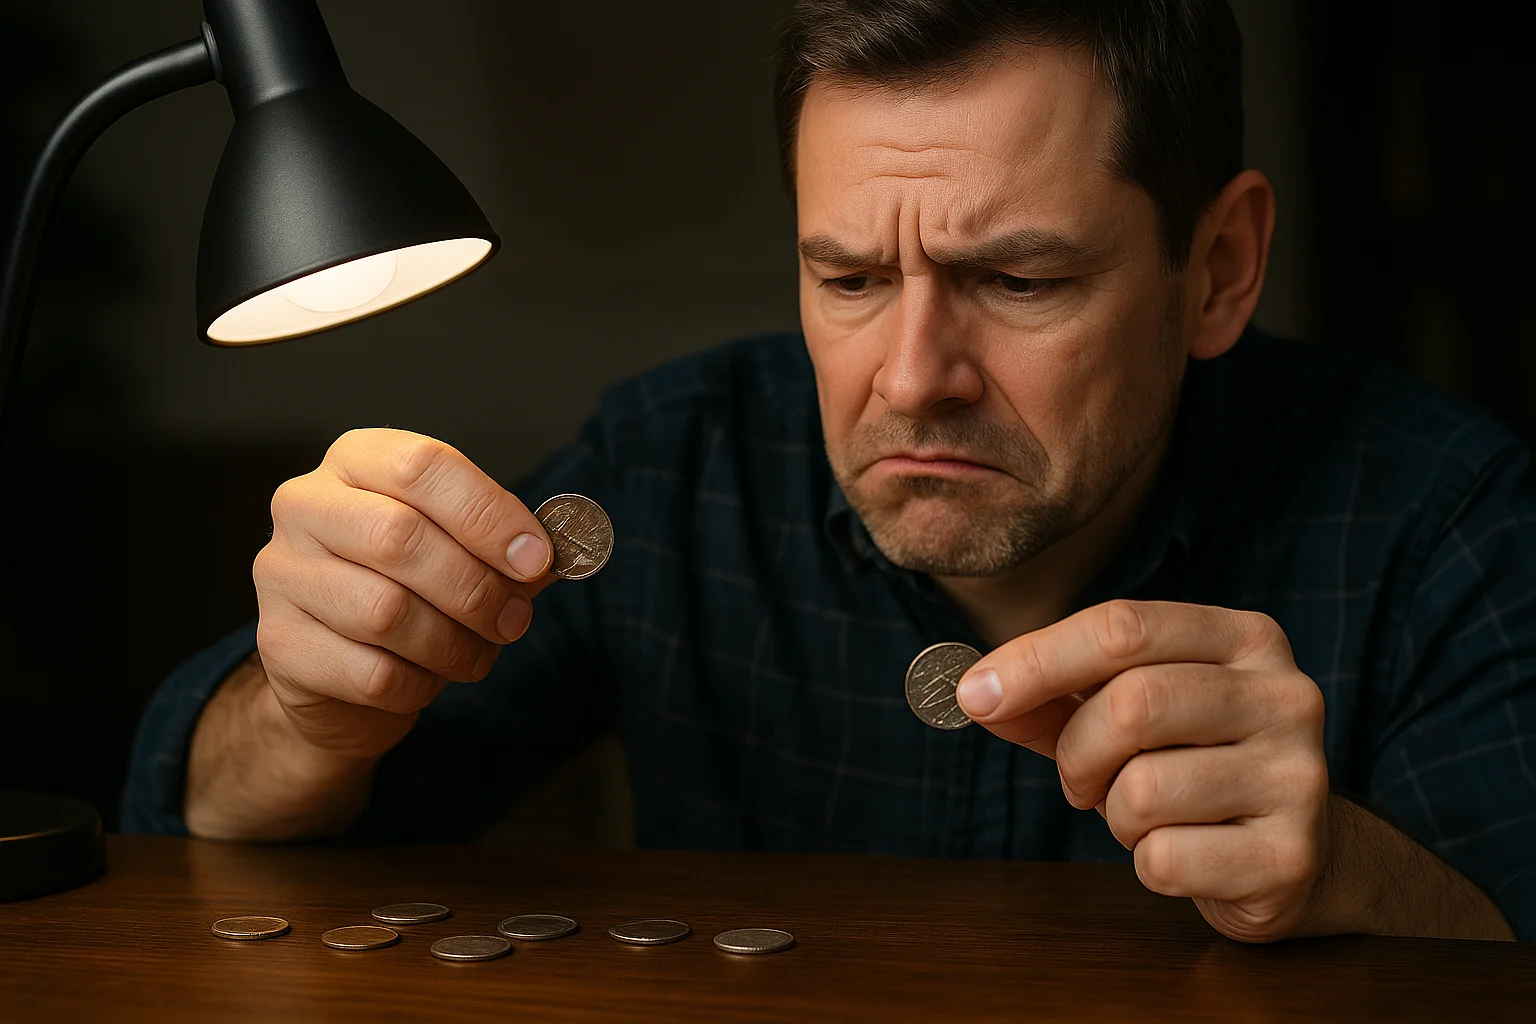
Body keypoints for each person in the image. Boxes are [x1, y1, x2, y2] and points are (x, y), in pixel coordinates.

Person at [123, 0, 1533, 944]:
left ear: (1216, 269)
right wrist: (305, 713)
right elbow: (238, 842)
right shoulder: (673, 466)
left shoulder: (1440, 515)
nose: (911, 374)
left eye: (1021, 278)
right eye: (850, 276)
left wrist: (1345, 873)